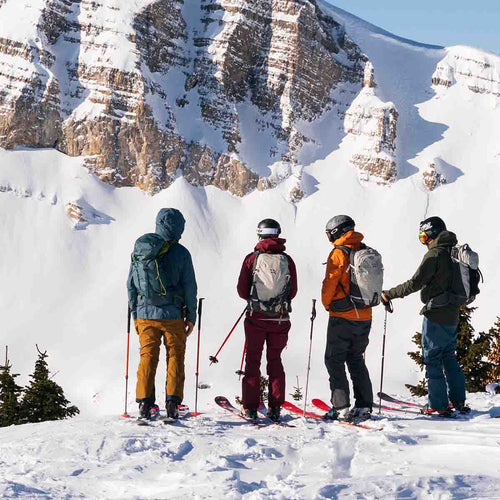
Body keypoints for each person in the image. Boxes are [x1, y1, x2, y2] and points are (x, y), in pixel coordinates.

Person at [381, 216, 468, 416]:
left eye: (423, 237)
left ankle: (437, 405)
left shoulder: (434, 255)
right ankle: (458, 401)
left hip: (436, 314)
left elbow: (415, 283)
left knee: (432, 359)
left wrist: (389, 294)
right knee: (448, 357)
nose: (423, 242)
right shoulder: (453, 252)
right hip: (453, 313)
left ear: (431, 234)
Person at [127, 208, 197, 420]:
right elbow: (190, 287)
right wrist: (191, 317)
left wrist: (135, 314)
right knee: (175, 356)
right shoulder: (181, 253)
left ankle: (145, 405)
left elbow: (131, 284)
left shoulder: (142, 249)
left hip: (144, 314)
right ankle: (173, 404)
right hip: (172, 315)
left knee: (147, 357)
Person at [237, 219, 298, 422]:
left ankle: (251, 408)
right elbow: (293, 291)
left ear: (260, 235)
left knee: (253, 361)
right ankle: (275, 407)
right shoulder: (287, 260)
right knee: (275, 361)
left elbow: (242, 291)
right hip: (280, 319)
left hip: (256, 318)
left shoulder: (252, 259)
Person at [321, 215, 374, 422]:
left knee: (334, 360)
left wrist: (327, 305)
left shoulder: (339, 253)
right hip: (365, 315)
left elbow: (330, 283)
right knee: (357, 359)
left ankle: (341, 407)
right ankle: (364, 406)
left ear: (336, 232)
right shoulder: (364, 249)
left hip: (342, 316)